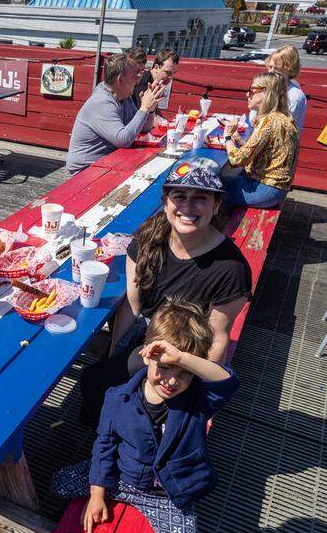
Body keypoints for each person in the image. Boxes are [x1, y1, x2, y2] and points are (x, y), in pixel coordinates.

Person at [54, 299, 239, 533]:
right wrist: (98, 493)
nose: (171, 380)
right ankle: (79, 513)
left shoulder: (198, 400)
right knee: (60, 483)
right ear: (147, 355)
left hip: (163, 493)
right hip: (120, 478)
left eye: (184, 372)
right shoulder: (119, 397)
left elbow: (228, 382)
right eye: (164, 368)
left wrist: (181, 357)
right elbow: (105, 444)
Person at [79, 158, 250, 424]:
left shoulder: (231, 269)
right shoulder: (148, 238)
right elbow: (132, 306)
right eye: (179, 195)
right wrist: (113, 358)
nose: (188, 207)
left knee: (116, 396)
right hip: (144, 337)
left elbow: (217, 336)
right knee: (96, 381)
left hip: (184, 351)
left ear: (217, 205)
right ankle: (103, 440)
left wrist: (204, 397)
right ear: (166, 200)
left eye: (201, 198)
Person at [66, 51, 167, 174]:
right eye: (135, 74)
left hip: (108, 162)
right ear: (120, 79)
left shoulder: (124, 96)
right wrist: (144, 108)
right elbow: (123, 140)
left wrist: (150, 109)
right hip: (86, 170)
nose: (140, 76)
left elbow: (144, 128)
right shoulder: (101, 102)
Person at [221, 71, 299, 209]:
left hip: (265, 190)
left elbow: (237, 160)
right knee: (228, 179)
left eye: (252, 89)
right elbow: (265, 153)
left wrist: (227, 137)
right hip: (276, 189)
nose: (247, 94)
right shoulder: (282, 117)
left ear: (266, 93)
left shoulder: (269, 121)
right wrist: (239, 139)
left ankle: (219, 227)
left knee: (214, 185)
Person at [243, 45, 307, 135]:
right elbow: (252, 120)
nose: (271, 72)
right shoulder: (269, 86)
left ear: (290, 70)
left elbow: (281, 133)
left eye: (277, 69)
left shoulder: (294, 96)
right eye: (270, 67)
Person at [131, 47, 179, 113]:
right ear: (156, 67)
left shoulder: (154, 83)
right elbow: (141, 114)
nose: (170, 77)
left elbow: (154, 111)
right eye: (167, 72)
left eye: (173, 73)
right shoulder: (143, 82)